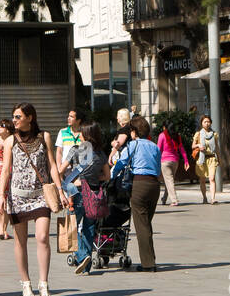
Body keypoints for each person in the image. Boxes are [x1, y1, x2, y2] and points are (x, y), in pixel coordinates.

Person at [0, 102, 69, 296]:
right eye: (13, 117)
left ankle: (43, 284)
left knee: (43, 237)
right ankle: (26, 283)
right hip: (17, 196)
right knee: (20, 241)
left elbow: (52, 166)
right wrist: (1, 195)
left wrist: (60, 190)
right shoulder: (10, 141)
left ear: (30, 118)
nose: (14, 120)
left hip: (41, 196)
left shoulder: (43, 136)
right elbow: (6, 170)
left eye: (18, 117)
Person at [113, 116, 163, 272]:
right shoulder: (155, 147)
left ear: (134, 132)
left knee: (141, 225)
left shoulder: (132, 145)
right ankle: (151, 259)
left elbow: (120, 163)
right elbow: (158, 166)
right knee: (146, 223)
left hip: (139, 185)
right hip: (154, 186)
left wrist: (113, 178)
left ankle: (148, 264)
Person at [64, 123, 107, 274]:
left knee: (70, 226)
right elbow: (107, 176)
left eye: (81, 133)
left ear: (86, 136)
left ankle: (82, 256)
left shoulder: (75, 150)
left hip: (77, 193)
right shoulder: (101, 154)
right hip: (94, 194)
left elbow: (61, 169)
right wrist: (93, 177)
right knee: (89, 228)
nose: (79, 135)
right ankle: (86, 267)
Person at [156, 121, 191, 206]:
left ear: (165, 127)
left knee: (169, 181)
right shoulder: (177, 136)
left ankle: (174, 200)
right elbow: (181, 148)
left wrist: (155, 160)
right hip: (175, 161)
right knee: (169, 180)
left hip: (165, 161)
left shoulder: (162, 135)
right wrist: (186, 160)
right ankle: (164, 198)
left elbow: (158, 149)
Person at [192, 114, 220, 204]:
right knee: (202, 179)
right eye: (205, 122)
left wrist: (219, 158)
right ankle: (204, 197)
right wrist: (198, 145)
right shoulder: (198, 134)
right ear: (201, 123)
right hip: (202, 159)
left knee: (212, 178)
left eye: (208, 122)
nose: (207, 124)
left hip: (212, 158)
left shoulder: (214, 134)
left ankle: (213, 198)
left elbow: (217, 147)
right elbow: (193, 146)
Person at [55, 109, 84, 175]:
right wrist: (59, 168)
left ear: (78, 120)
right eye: (68, 116)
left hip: (80, 170)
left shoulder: (84, 133)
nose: (68, 118)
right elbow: (59, 152)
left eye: (72, 117)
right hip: (65, 170)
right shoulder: (63, 132)